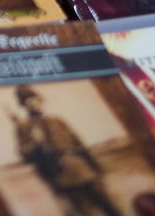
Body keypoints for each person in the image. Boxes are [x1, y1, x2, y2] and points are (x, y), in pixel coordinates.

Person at [11, 85, 119, 216]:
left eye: (34, 99)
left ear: (40, 100)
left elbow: (79, 144)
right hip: (61, 178)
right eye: (27, 101)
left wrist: (96, 168)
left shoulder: (57, 121)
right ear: (23, 105)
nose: (33, 103)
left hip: (84, 171)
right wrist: (35, 144)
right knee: (85, 213)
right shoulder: (24, 128)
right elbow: (24, 156)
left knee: (110, 208)